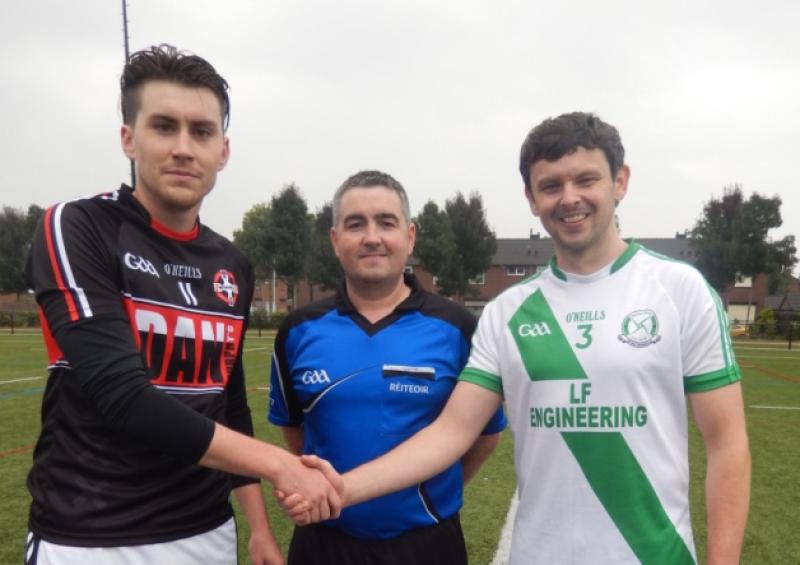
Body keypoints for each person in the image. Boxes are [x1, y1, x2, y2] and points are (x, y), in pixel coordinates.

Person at [292, 114, 751, 564]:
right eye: (550, 186)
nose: (569, 198)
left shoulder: (680, 290)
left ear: (620, 181)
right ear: (531, 199)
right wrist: (341, 488)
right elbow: (450, 435)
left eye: (585, 180)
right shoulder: (506, 312)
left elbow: (727, 444)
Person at [24, 44, 340, 565]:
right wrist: (280, 465)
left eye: (201, 131)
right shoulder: (76, 228)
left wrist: (259, 528)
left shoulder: (232, 265)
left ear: (223, 149)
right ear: (129, 139)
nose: (183, 148)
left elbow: (229, 404)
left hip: (206, 534)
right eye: (163, 126)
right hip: (90, 538)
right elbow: (124, 399)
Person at [268, 170, 507, 565]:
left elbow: (483, 436)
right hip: (324, 540)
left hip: (426, 541)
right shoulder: (298, 329)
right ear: (335, 240)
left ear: (409, 237)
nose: (372, 237)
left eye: (386, 222)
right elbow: (294, 429)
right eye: (355, 224)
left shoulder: (456, 326)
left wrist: (434, 490)